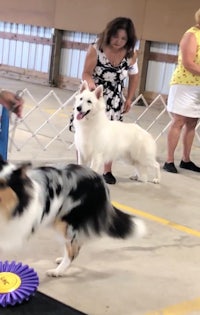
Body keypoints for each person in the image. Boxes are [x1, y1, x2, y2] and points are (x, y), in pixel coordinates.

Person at [81, 17, 139, 184]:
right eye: (116, 37)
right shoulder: (95, 48)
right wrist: (92, 88)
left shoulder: (131, 53)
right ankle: (82, 169)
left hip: (114, 99)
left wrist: (129, 98)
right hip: (93, 96)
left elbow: (134, 76)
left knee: (110, 135)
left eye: (123, 39)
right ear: (109, 34)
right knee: (86, 133)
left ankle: (107, 171)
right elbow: (86, 73)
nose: (118, 42)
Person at [163, 8, 200, 174]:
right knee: (178, 121)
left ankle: (186, 160)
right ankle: (169, 160)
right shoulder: (191, 35)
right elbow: (188, 63)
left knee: (192, 123)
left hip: (198, 86)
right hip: (184, 84)